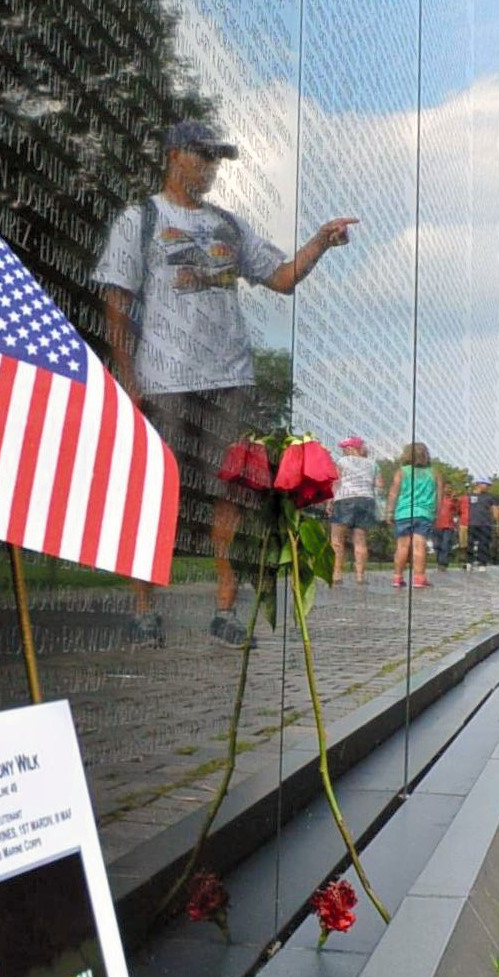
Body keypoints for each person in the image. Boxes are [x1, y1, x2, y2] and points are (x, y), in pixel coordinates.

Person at [94, 119, 357, 645]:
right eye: (202, 155)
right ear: (174, 155)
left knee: (228, 495)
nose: (211, 167)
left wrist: (321, 242)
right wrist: (126, 377)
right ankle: (143, 609)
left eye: (216, 158)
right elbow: (116, 301)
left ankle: (225, 611)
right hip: (164, 381)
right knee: (156, 493)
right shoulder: (140, 219)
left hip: (228, 380)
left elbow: (281, 278)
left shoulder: (228, 226)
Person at [386, 443, 442, 589]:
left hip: (403, 513)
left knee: (402, 546)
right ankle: (419, 578)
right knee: (419, 545)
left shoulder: (401, 472)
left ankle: (397, 578)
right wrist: (436, 514)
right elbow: (439, 497)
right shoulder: (434, 473)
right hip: (424, 513)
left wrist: (389, 512)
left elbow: (393, 493)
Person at [330, 436, 381, 585]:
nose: (343, 450)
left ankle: (337, 574)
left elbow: (336, 482)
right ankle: (360, 576)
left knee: (337, 539)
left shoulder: (341, 461)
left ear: (351, 448)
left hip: (344, 500)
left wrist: (330, 502)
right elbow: (379, 485)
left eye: (345, 447)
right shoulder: (373, 464)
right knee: (360, 540)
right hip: (366, 500)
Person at [466, 477, 499, 571]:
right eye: (486, 485)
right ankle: (469, 562)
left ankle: (482, 563)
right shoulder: (469, 496)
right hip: (471, 523)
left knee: (484, 544)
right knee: (470, 544)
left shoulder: (490, 497)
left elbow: (497, 509)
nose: (488, 487)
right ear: (479, 484)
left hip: (485, 524)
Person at [434, 486, 459, 571]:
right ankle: (438, 562)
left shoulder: (453, 500)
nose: (448, 490)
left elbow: (456, 511)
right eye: (447, 488)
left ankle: (443, 564)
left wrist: (454, 500)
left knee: (445, 545)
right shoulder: (437, 499)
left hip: (448, 526)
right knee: (437, 545)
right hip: (437, 525)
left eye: (450, 488)